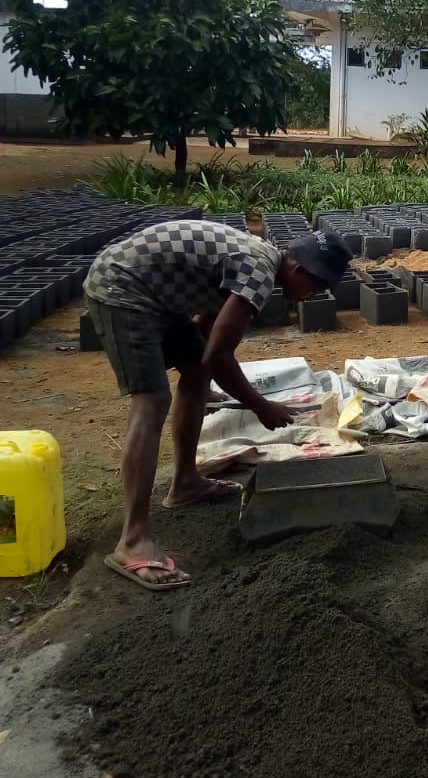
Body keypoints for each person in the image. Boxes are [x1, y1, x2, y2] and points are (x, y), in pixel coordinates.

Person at [84, 220, 353, 591]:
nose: (313, 295)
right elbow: (222, 354)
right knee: (153, 399)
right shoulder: (258, 270)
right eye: (316, 286)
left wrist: (207, 378)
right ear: (296, 269)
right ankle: (132, 540)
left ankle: (184, 482)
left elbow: (206, 332)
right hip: (124, 289)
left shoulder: (258, 260)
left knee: (196, 373)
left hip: (156, 292)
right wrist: (261, 406)